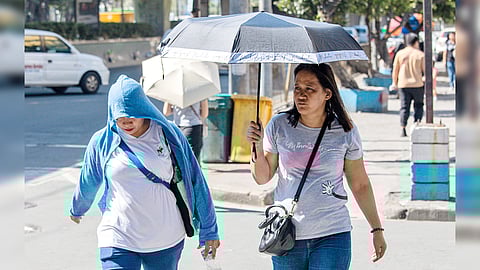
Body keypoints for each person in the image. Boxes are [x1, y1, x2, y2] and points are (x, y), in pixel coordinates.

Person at [69, 75, 220, 270]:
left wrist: (209, 230)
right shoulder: (102, 141)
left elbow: (195, 180)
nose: (125, 120)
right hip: (117, 236)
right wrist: (78, 207)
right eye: (119, 114)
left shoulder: (168, 134)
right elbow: (88, 179)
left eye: (131, 113)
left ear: (142, 108)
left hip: (165, 237)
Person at [246, 63, 387, 270]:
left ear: (327, 93)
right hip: (287, 234)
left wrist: (377, 229)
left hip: (332, 234)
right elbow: (262, 177)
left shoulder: (345, 131)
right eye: (297, 88)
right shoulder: (279, 125)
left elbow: (360, 184)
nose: (301, 95)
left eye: (309, 89)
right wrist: (256, 146)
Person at [392, 33, 425, 137]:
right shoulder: (420, 55)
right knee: (418, 105)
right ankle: (416, 125)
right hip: (417, 84)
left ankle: (403, 128)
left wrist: (394, 82)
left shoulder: (400, 54)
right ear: (416, 42)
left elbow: (395, 70)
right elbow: (425, 71)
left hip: (403, 84)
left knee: (404, 107)